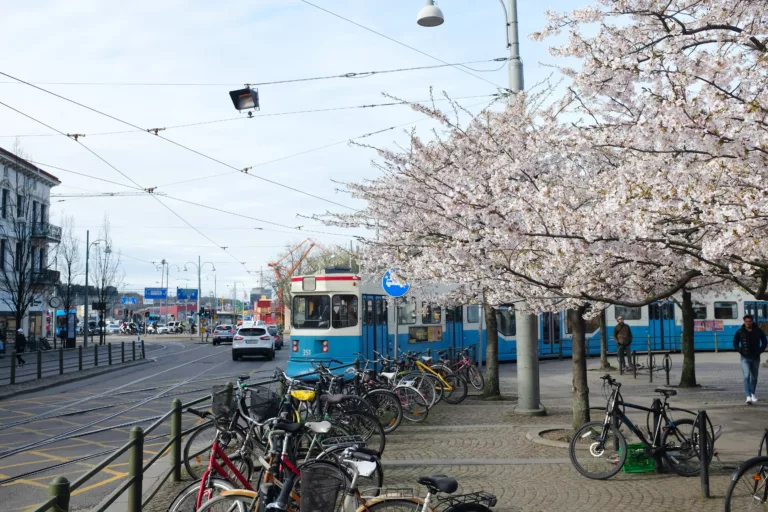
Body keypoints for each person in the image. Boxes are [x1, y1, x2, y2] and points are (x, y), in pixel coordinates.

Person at [733, 314, 768, 404]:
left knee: (754, 377)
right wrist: (741, 351)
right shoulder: (740, 332)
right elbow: (735, 343)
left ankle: (752, 393)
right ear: (744, 322)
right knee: (746, 375)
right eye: (746, 321)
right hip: (745, 357)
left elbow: (764, 341)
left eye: (749, 321)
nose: (748, 323)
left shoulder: (758, 331)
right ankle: (748, 396)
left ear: (752, 321)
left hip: (755, 357)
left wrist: (760, 350)